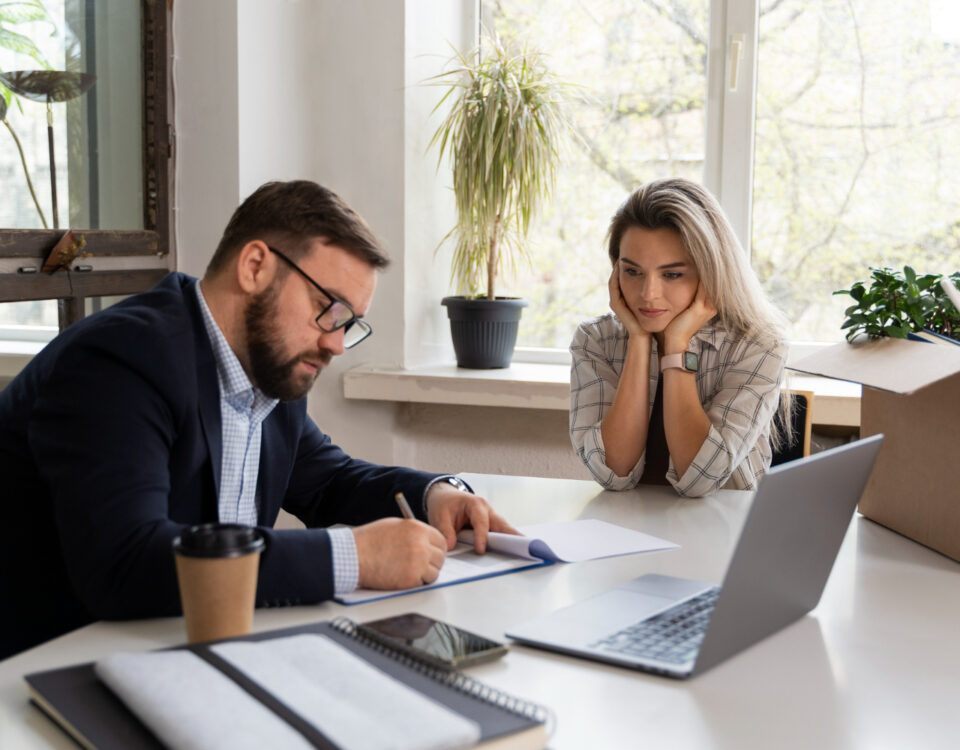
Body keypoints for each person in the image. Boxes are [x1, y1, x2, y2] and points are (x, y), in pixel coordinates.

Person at [0, 180, 517, 660]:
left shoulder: (268, 368)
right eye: (329, 309)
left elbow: (328, 481)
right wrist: (354, 558)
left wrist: (437, 495)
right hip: (46, 671)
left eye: (350, 323)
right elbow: (126, 564)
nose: (336, 342)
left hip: (183, 651)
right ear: (254, 267)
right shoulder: (124, 359)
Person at [569, 177, 790, 497]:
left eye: (672, 274)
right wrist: (639, 340)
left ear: (711, 272)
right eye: (632, 271)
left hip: (723, 533)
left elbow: (703, 478)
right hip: (624, 530)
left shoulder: (759, 344)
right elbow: (612, 472)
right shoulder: (595, 340)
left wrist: (676, 346)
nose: (648, 294)